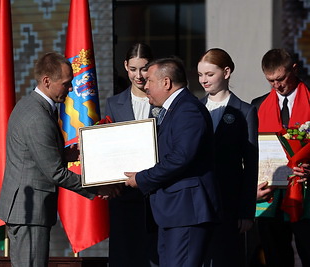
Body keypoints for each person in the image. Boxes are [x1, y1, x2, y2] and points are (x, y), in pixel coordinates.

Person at [0, 52, 119, 267]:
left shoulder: (31, 106)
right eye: (66, 84)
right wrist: (98, 189)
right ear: (46, 81)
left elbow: (33, 155)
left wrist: (64, 153)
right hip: (29, 212)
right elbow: (54, 172)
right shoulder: (37, 116)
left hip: (28, 210)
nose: (71, 89)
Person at [124, 57, 221, 267]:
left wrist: (142, 178)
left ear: (166, 82)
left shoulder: (187, 110)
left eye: (149, 80)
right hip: (172, 213)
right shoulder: (173, 110)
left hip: (185, 212)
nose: (144, 84)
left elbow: (180, 158)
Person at [197, 48, 259, 267]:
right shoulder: (195, 109)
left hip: (229, 200)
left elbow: (251, 164)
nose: (204, 80)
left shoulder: (245, 111)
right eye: (200, 75)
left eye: (209, 74)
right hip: (199, 200)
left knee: (227, 258)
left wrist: (247, 211)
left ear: (226, 72)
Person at [251, 48, 310, 267]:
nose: (277, 85)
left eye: (281, 78)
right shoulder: (257, 106)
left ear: (294, 69)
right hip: (271, 196)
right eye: (270, 81)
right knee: (275, 258)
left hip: (306, 194)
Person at [105, 43, 158, 267]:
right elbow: (108, 147)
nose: (138, 75)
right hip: (124, 195)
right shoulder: (113, 104)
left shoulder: (162, 101)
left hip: (155, 194)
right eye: (133, 69)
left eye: (144, 69)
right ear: (125, 66)